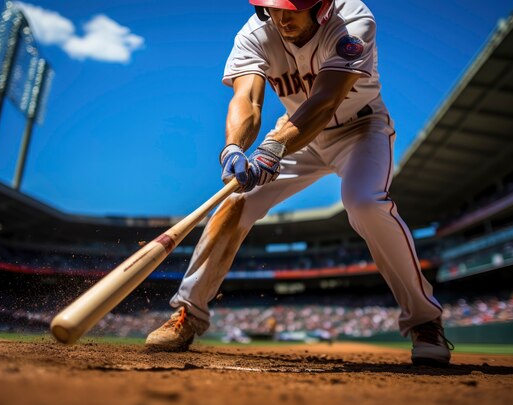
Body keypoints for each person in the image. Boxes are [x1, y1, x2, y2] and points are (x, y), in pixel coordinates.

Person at [146, 0, 453, 366]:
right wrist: (233, 148)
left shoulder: (353, 20)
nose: (281, 16)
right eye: (272, 7)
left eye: (292, 7)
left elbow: (326, 100)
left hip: (358, 128)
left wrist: (274, 147)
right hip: (294, 133)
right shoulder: (255, 33)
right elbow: (248, 100)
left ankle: (424, 321)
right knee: (236, 202)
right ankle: (189, 313)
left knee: (364, 203)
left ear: (320, 5)